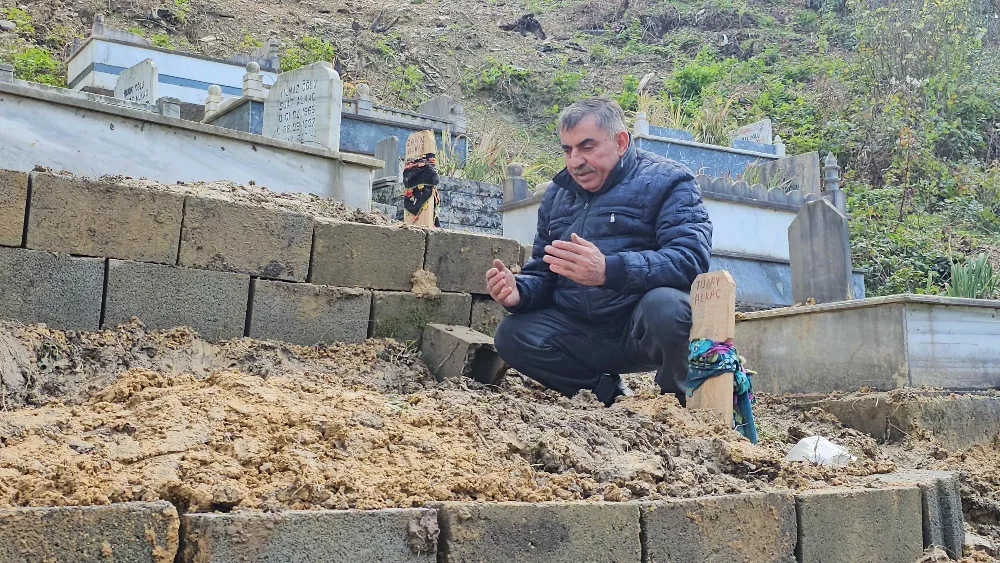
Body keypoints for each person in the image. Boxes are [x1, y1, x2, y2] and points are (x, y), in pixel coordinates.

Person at [485, 96, 712, 407]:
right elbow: (544, 271)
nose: (575, 161)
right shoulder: (557, 196)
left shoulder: (669, 181)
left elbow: (690, 260)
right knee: (512, 334)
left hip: (640, 329)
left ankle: (675, 403)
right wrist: (519, 291)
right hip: (581, 331)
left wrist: (609, 270)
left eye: (587, 147)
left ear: (620, 142)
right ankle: (608, 397)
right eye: (568, 150)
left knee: (668, 307)